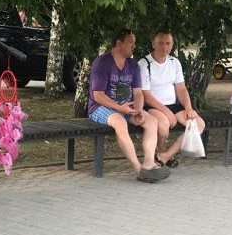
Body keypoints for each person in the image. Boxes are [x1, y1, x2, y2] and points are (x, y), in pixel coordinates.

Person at [88, 30, 169, 182]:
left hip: (127, 108)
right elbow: (97, 95)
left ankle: (149, 163)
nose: (134, 46)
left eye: (134, 42)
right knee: (120, 122)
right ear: (119, 43)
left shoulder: (132, 64)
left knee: (152, 121)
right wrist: (120, 108)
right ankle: (139, 169)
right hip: (100, 107)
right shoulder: (102, 62)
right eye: (130, 42)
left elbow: (138, 93)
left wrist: (137, 111)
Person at [139, 31, 205, 167]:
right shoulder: (144, 64)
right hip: (153, 106)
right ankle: (161, 151)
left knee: (199, 124)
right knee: (163, 125)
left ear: (172, 45)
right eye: (161, 43)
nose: (164, 47)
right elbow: (145, 95)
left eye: (168, 43)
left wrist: (188, 107)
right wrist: (166, 112)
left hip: (173, 105)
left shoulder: (174, 62)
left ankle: (165, 155)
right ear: (153, 44)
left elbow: (181, 88)